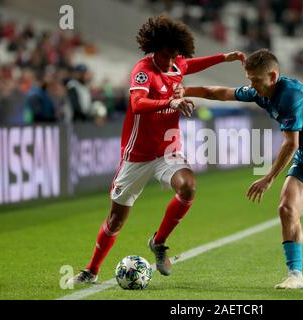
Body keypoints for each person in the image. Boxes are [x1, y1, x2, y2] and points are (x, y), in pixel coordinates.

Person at [179, 49, 303, 289]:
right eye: (249, 80)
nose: (252, 86)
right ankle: (296, 275)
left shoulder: (291, 96)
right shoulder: (260, 91)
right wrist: (185, 90)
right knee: (287, 208)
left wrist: (268, 178)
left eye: (256, 80)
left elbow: (290, 144)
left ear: (273, 76)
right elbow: (220, 93)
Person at [67, 15, 245, 285]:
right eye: (167, 55)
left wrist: (224, 57)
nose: (172, 61)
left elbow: (190, 63)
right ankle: (92, 269)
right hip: (136, 156)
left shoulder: (175, 63)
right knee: (115, 220)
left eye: (176, 55)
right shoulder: (143, 70)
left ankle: (158, 242)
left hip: (167, 151)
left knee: (188, 187)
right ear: (154, 48)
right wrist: (170, 103)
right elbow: (138, 103)